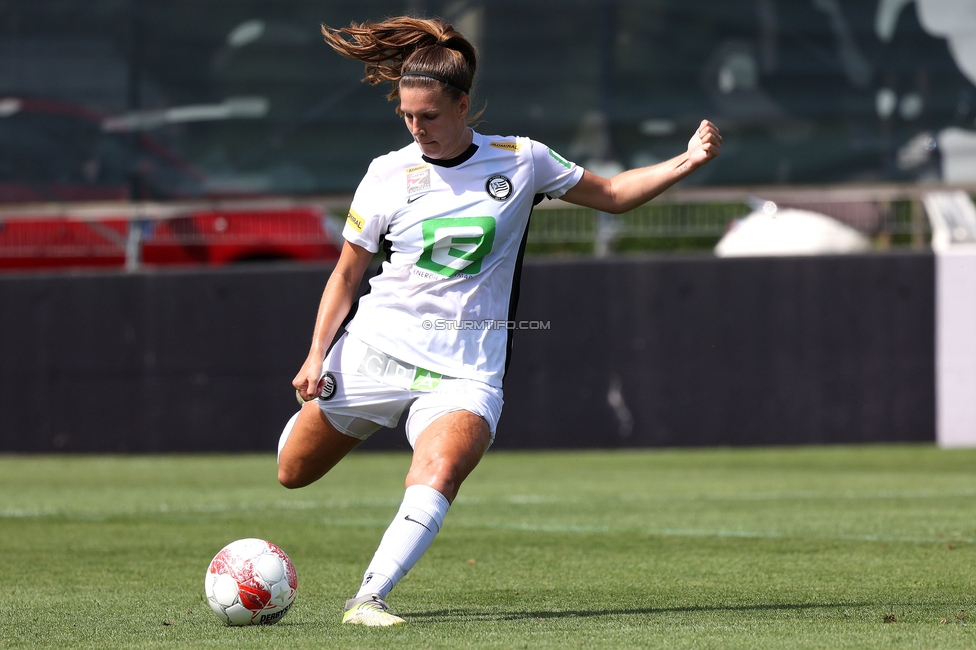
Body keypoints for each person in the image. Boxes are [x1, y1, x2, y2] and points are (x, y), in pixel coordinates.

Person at [276, 16, 721, 627]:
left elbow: (613, 193)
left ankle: (369, 598)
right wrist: (315, 357)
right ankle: (339, 415)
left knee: (441, 469)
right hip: (376, 346)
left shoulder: (522, 161)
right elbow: (347, 275)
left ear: (463, 105)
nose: (417, 129)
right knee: (292, 472)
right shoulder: (386, 173)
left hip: (466, 367)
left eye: (429, 116)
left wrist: (687, 161)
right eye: (407, 116)